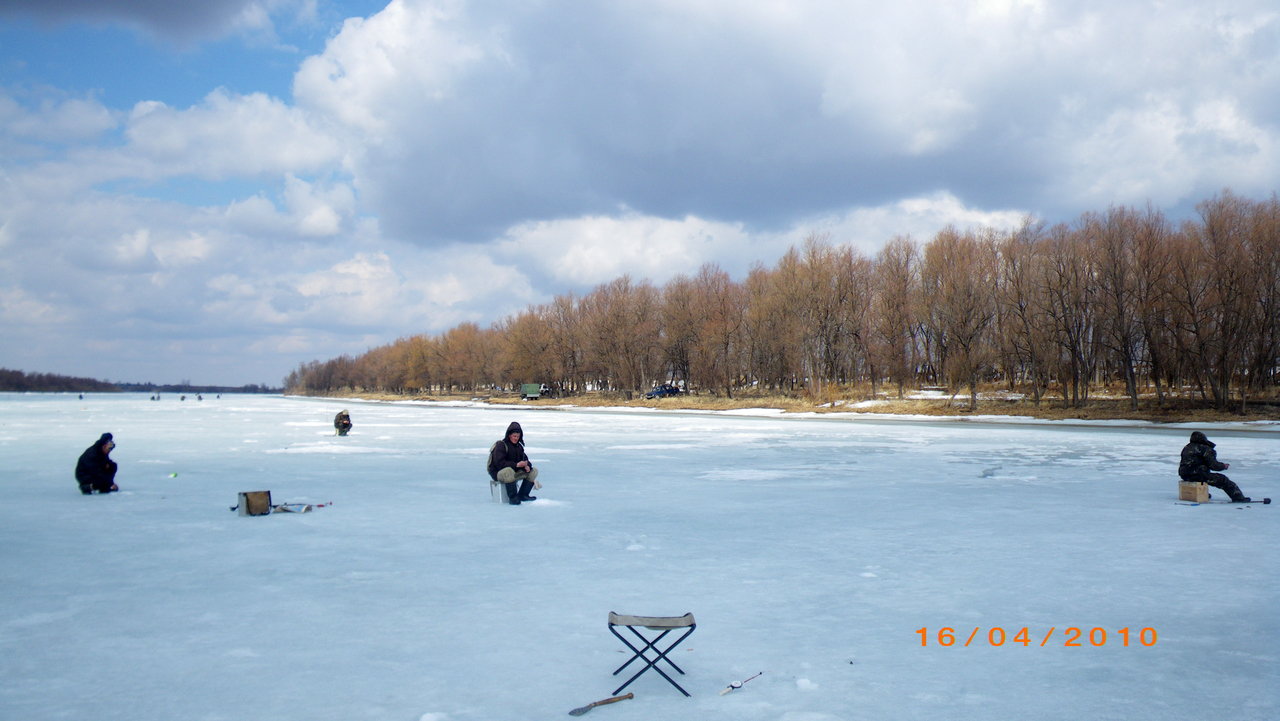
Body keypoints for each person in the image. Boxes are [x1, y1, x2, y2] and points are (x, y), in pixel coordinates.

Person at [1179, 431, 1249, 502]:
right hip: (1199, 475)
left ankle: (1202, 494)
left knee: (1202, 476)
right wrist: (1223, 466)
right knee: (1223, 480)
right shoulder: (1205, 448)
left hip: (1185, 474)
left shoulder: (1187, 447)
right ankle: (1238, 498)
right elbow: (1213, 465)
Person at [487, 421, 541, 505]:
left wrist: (527, 466)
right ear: (509, 435)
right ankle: (513, 498)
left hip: (513, 473)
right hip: (499, 473)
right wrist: (516, 465)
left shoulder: (519, 447)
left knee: (533, 471)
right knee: (508, 470)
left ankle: (523, 495)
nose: (516, 438)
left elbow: (525, 459)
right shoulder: (501, 445)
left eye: (518, 436)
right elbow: (499, 464)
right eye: (514, 436)